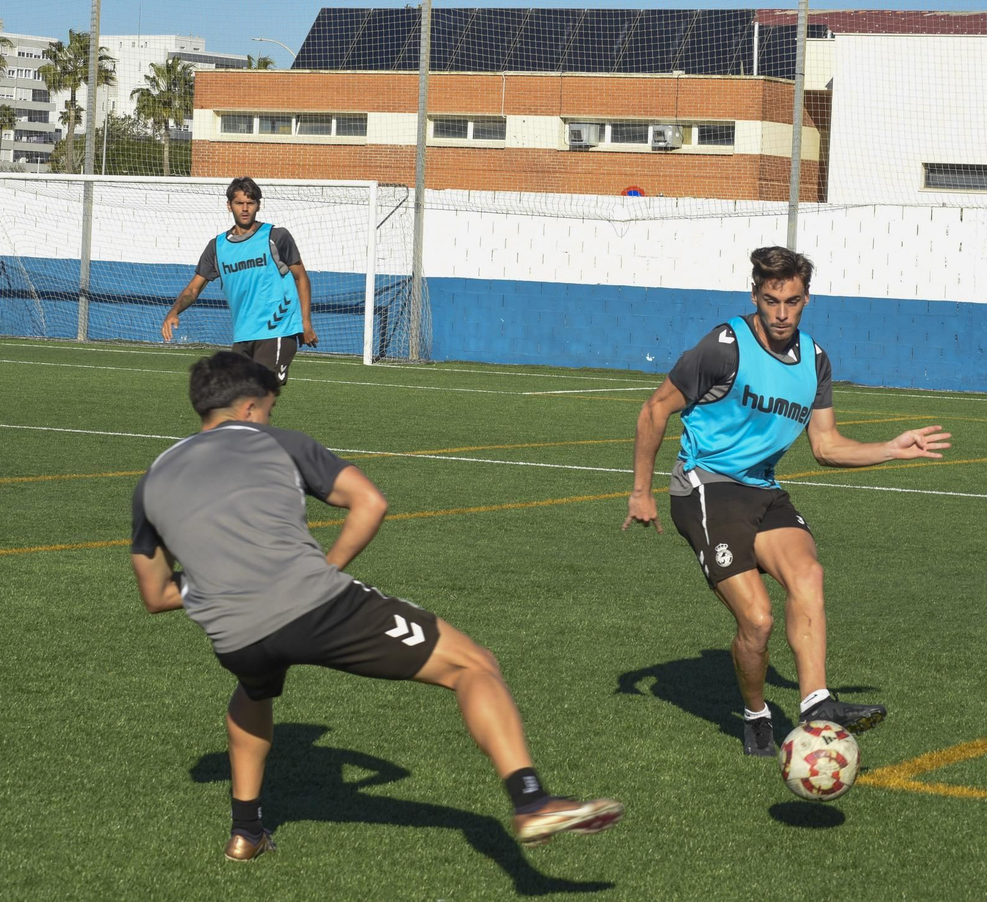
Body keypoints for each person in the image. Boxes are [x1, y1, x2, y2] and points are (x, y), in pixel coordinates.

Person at [130, 352, 624, 861]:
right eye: (270, 410)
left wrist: (222, 581)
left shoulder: (154, 478)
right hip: (315, 608)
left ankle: (245, 833)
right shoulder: (277, 442)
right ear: (252, 408)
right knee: (473, 664)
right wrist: (326, 567)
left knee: (253, 691)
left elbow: (156, 594)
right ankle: (530, 800)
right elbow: (370, 502)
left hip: (235, 638)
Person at [621, 246, 951, 757]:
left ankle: (816, 701)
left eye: (792, 302)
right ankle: (755, 713)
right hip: (706, 487)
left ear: (806, 301)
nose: (780, 313)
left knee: (809, 575)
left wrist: (890, 447)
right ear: (755, 295)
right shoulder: (724, 346)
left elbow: (826, 446)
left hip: (762, 488)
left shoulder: (815, 360)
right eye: (771, 300)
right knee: (757, 621)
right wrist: (641, 492)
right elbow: (654, 409)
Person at [161, 176, 318, 384]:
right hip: (243, 336)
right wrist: (173, 311)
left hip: (278, 331)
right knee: (237, 397)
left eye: (250, 203)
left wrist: (305, 324)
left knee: (258, 392)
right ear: (229, 206)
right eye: (239, 203)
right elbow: (193, 290)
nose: (245, 208)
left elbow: (301, 278)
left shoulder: (276, 237)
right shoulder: (216, 247)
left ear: (258, 206)